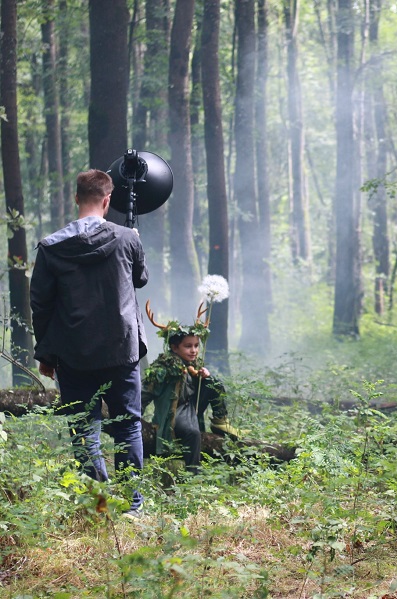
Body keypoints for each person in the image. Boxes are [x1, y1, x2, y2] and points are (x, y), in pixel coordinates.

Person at [30, 169, 147, 517]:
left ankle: (100, 506)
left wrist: (46, 353)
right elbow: (140, 279)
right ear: (107, 200)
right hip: (121, 351)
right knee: (127, 427)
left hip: (73, 354)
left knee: (84, 429)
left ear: (76, 198)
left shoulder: (51, 247)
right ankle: (132, 508)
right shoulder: (126, 238)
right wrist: (134, 241)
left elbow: (41, 305)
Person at [142, 305, 241, 472]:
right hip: (175, 411)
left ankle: (220, 421)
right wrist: (135, 416)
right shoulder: (164, 368)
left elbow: (200, 386)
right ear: (174, 347)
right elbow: (146, 392)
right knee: (192, 433)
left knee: (214, 382)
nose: (194, 350)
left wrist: (203, 377)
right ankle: (193, 472)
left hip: (192, 405)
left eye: (196, 345)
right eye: (188, 346)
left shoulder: (193, 364)